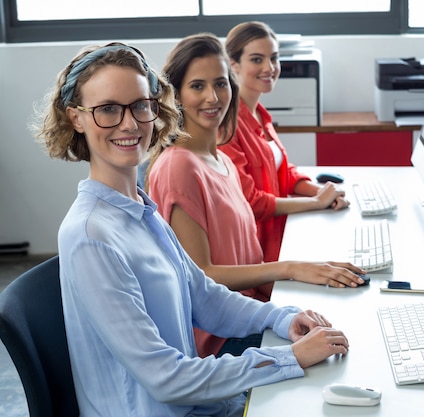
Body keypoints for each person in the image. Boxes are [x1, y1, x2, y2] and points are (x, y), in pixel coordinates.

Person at [33, 41, 349, 417]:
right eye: (108, 110)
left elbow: (204, 296)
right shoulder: (90, 235)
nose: (130, 123)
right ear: (77, 118)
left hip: (199, 404)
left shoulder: (137, 206)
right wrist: (288, 358)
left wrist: (281, 317)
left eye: (140, 105)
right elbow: (166, 379)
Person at [145, 33, 365, 358]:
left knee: (346, 317)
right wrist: (289, 269)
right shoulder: (178, 167)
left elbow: (247, 258)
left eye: (221, 83)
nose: (213, 97)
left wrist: (308, 276)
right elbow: (202, 275)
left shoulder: (220, 160)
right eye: (197, 86)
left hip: (253, 313)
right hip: (220, 339)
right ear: (176, 95)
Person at [222, 21, 350, 263]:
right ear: (234, 64)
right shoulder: (227, 126)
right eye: (257, 59)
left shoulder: (260, 114)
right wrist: (315, 202)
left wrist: (325, 193)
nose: (269, 68)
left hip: (284, 232)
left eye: (274, 58)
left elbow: (284, 173)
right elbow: (251, 202)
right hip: (258, 250)